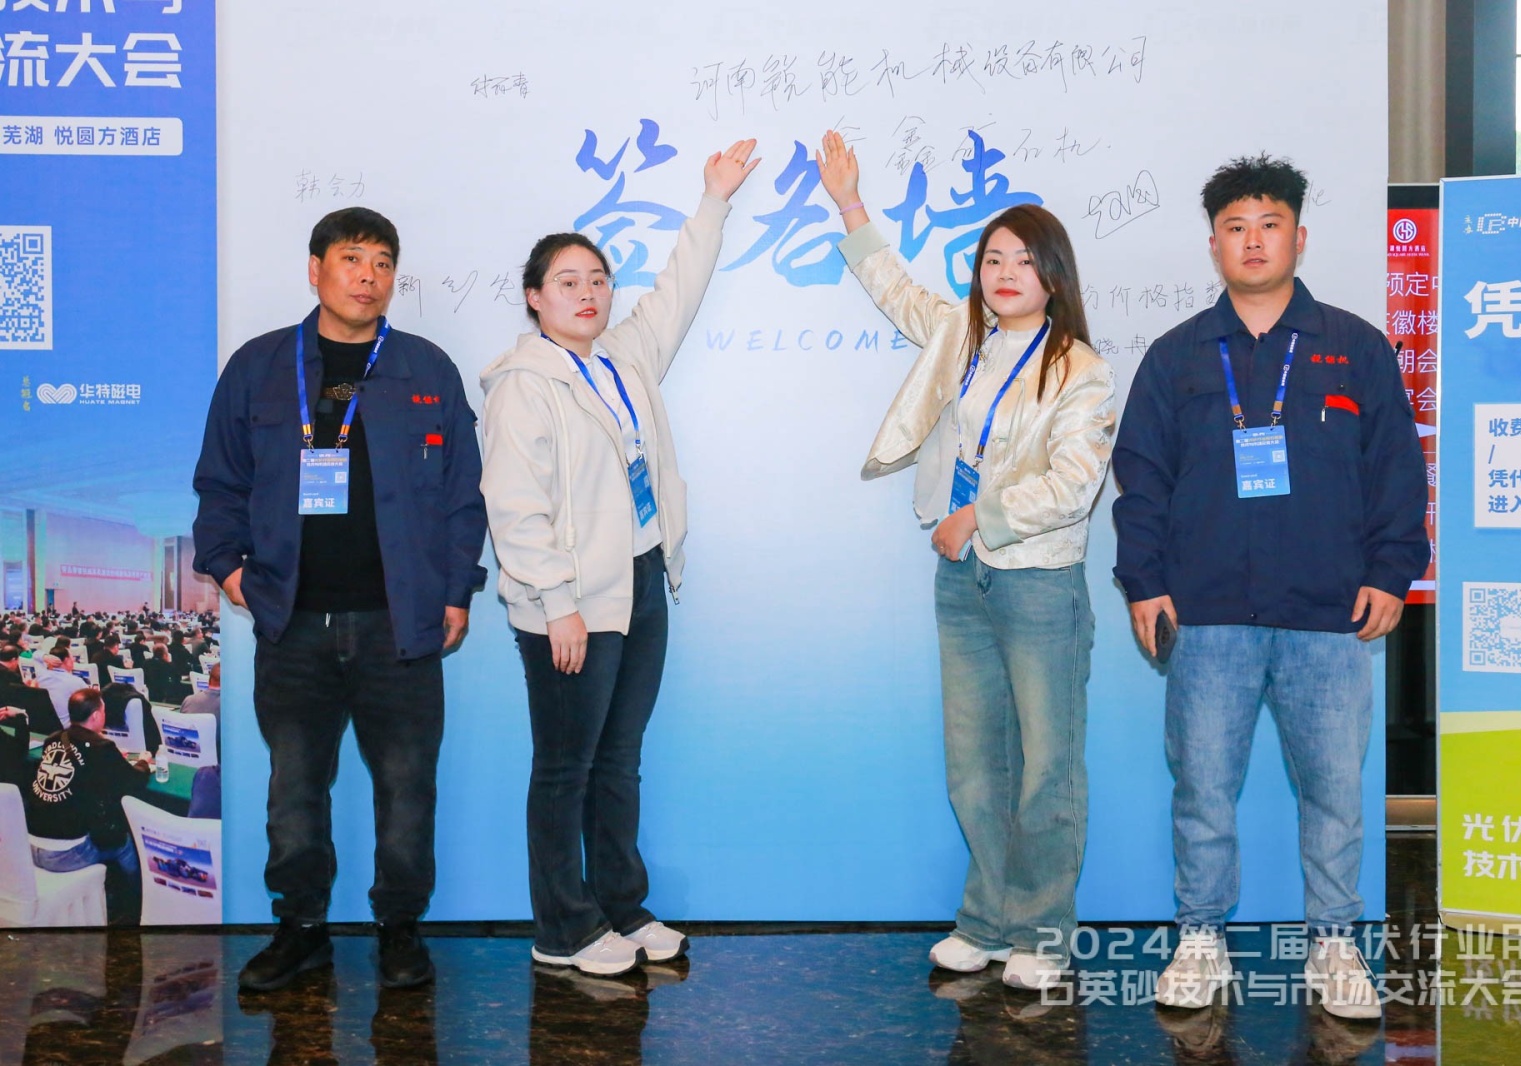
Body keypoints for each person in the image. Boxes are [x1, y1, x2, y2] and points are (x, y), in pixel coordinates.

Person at [1110, 155, 1429, 1020]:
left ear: (1299, 236)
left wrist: (1391, 571)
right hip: (1206, 612)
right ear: (1214, 244)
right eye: (1236, 227)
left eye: (1270, 224)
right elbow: (1141, 480)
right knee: (1203, 788)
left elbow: (1397, 469)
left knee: (1333, 790)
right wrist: (1144, 582)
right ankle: (1200, 938)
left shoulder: (1355, 347)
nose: (1253, 241)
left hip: (1329, 613)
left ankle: (1333, 943)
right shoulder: (1177, 356)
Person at [814, 131, 1117, 991]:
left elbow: (1073, 487)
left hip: (1039, 583)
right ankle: (987, 921)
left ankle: (1043, 932)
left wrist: (976, 518)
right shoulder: (961, 335)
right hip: (963, 580)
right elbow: (896, 290)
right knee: (976, 764)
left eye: (1023, 260)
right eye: (992, 259)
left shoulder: (1082, 370)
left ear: (1054, 274)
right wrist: (850, 203)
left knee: (1047, 766)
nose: (1005, 273)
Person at [479, 137, 760, 977]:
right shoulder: (523, 385)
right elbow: (514, 510)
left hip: (639, 580)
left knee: (619, 760)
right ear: (535, 298)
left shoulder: (621, 361)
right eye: (567, 282)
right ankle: (562, 928)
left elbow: (678, 291)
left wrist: (713, 200)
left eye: (598, 280)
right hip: (568, 601)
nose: (587, 293)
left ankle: (619, 908)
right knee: (564, 767)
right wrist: (558, 602)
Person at [192, 205, 489, 992]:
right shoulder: (259, 367)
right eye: (353, 258)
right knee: (294, 792)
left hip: (402, 625)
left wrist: (456, 590)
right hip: (292, 624)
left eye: (384, 262)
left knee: (406, 790)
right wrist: (231, 573)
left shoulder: (426, 369)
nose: (370, 276)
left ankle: (400, 930)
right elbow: (219, 485)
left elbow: (463, 496)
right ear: (316, 269)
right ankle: (301, 929)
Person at [26, 687, 151, 924]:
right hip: (67, 855)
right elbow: (133, 781)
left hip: (31, 846)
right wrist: (143, 762)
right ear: (95, 716)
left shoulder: (53, 739)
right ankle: (137, 904)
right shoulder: (101, 748)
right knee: (126, 843)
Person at [35, 652, 88, 730]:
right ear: (66, 660)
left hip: (46, 725)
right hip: (67, 727)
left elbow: (35, 655)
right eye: (72, 657)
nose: (74, 660)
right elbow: (92, 700)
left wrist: (45, 657)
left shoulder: (41, 676)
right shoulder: (76, 681)